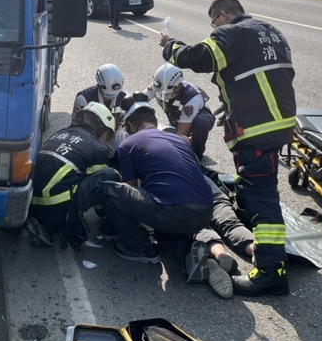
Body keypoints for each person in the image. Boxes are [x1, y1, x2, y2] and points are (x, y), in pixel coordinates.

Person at [159, 0, 296, 296]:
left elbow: (197, 57)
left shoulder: (231, 33)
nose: (213, 28)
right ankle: (261, 244)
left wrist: (170, 46)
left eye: (212, 23)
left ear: (222, 15)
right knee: (255, 190)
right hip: (280, 123)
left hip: (257, 129)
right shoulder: (271, 31)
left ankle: (271, 272)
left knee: (263, 200)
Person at [70, 99, 214, 268]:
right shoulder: (180, 140)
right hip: (206, 212)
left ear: (130, 125)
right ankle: (190, 253)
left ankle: (140, 247)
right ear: (154, 122)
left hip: (174, 212)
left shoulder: (128, 144)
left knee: (107, 189)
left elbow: (129, 190)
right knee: (166, 219)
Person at [23, 102, 118, 248]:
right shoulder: (98, 148)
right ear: (102, 128)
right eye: (109, 135)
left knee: (71, 176)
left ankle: (40, 223)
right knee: (109, 174)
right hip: (55, 205)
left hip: (29, 200)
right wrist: (105, 215)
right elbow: (101, 186)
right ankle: (52, 225)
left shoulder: (60, 133)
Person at [144, 64, 216, 161]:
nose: (162, 96)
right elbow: (137, 101)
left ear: (178, 86)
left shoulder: (192, 98)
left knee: (199, 123)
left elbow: (181, 134)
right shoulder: (159, 85)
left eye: (167, 94)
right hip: (175, 117)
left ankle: (196, 156)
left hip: (196, 119)